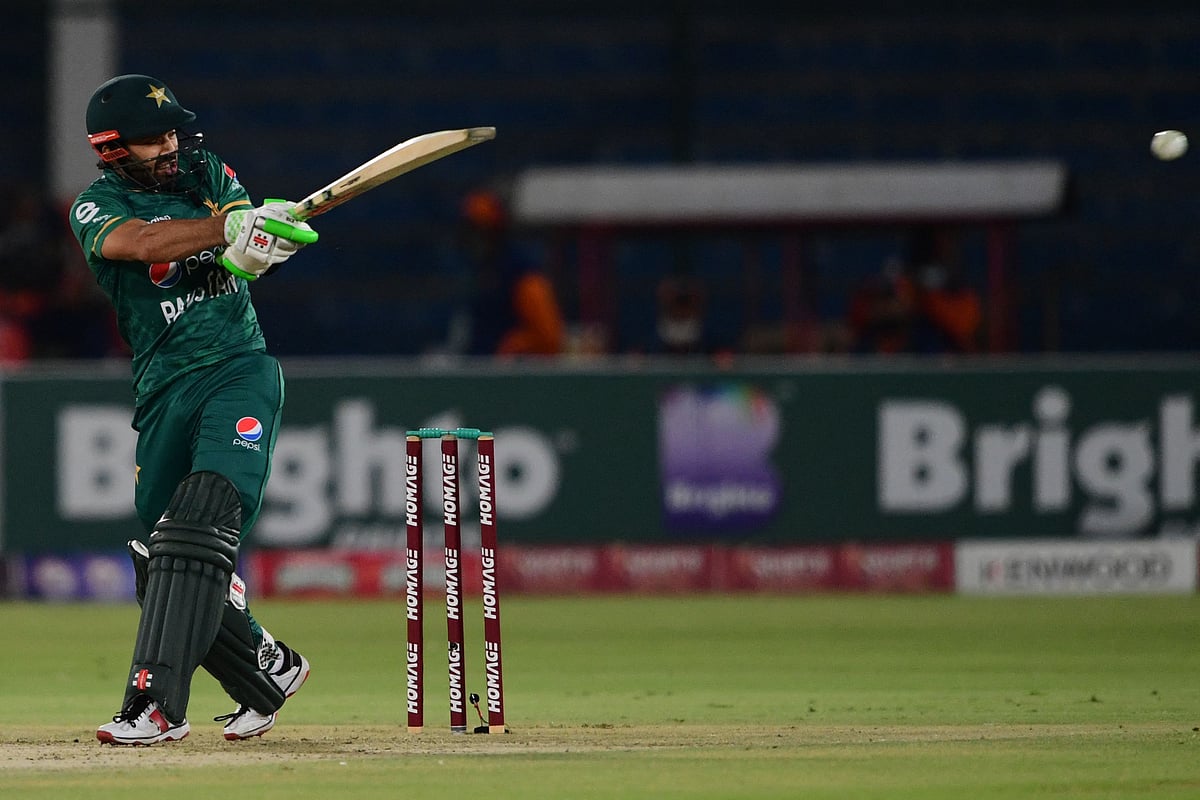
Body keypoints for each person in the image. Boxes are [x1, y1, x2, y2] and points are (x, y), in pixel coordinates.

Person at [68, 74, 318, 746]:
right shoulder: (95, 205)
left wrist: (259, 242)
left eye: (174, 130)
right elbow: (143, 245)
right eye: (155, 138)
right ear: (114, 148)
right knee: (161, 557)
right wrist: (228, 225)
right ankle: (268, 666)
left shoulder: (209, 171)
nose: (171, 145)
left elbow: (244, 259)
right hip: (163, 387)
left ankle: (154, 708)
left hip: (237, 366)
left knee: (204, 509)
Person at [460, 188, 565, 357]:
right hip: (481, 371)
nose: (475, 239)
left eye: (481, 231)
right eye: (471, 230)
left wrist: (514, 346)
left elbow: (549, 337)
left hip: (512, 376)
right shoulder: (480, 269)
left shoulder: (521, 272)